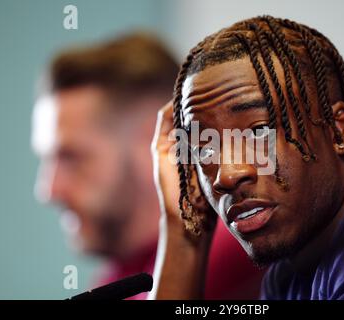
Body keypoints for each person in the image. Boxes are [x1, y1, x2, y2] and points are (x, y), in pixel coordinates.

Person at [150, 16, 344, 299]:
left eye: (258, 132)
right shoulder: (288, 273)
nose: (226, 175)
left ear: (338, 132)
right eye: (205, 149)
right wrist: (184, 224)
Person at [32, 32, 264, 299]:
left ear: (156, 140)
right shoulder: (117, 277)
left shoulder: (234, 240)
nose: (48, 190)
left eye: (72, 157)